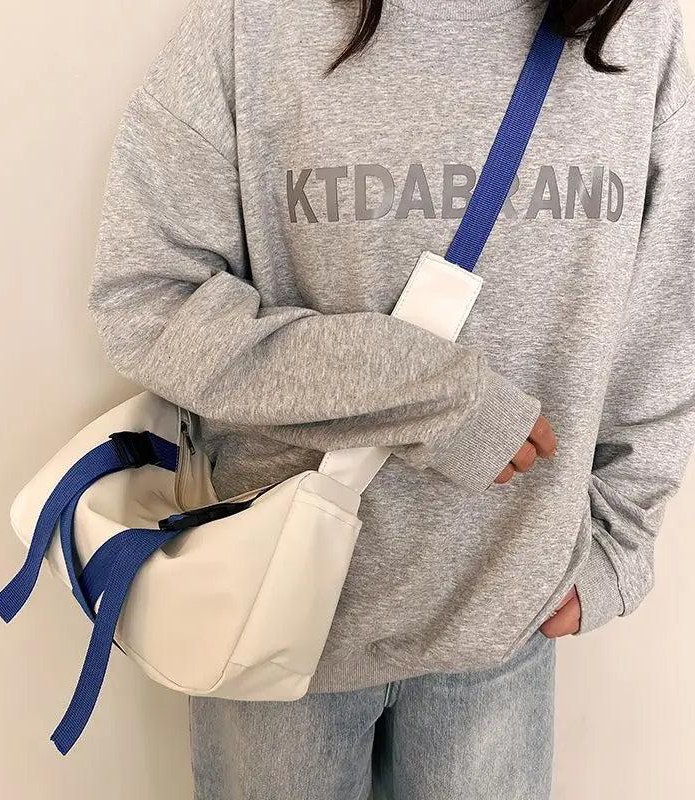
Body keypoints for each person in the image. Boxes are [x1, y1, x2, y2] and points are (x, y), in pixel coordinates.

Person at [86, 0, 695, 797]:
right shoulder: (255, 23)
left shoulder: (637, 33)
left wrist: (619, 541)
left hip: (504, 615)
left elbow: (667, 320)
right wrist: (435, 399)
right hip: (268, 606)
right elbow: (147, 301)